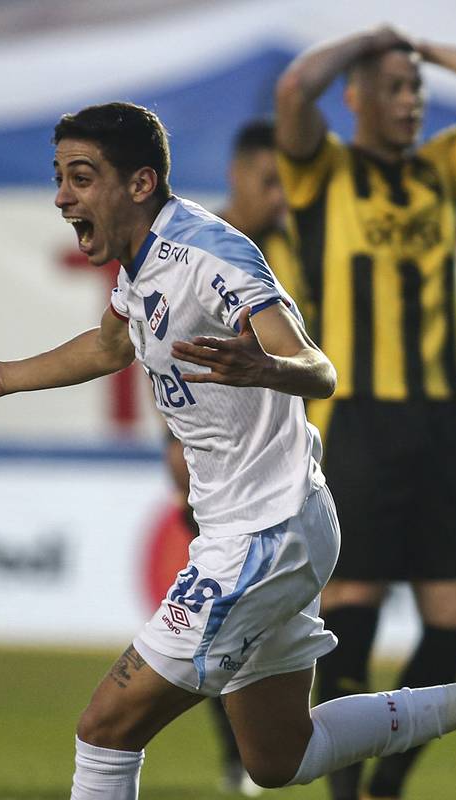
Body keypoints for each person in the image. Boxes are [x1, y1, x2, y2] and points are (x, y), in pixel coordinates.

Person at [0, 101, 456, 800]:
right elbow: (110, 344)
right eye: (59, 177)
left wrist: (267, 368)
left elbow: (319, 369)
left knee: (105, 727)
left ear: (139, 183)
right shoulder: (141, 268)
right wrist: (4, 377)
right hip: (270, 522)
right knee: (279, 755)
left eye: (80, 177)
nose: (62, 196)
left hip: (266, 530)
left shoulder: (209, 255)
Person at [274, 26, 456, 800]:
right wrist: (371, 40)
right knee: (352, 616)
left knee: (454, 623)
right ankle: (343, 787)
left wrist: (425, 46)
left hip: (441, 422)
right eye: (391, 87)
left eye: (415, 88)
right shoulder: (322, 171)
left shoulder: (439, 169)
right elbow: (295, 90)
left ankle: (387, 785)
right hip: (358, 420)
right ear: (354, 98)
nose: (409, 100)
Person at [159, 116, 295, 797]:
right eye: (271, 182)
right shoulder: (201, 252)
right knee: (223, 626)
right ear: (238, 174)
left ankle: (254, 756)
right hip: (217, 474)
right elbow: (168, 363)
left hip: (283, 471)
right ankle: (240, 759)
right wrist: (173, 451)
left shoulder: (287, 252)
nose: (282, 197)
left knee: (262, 625)